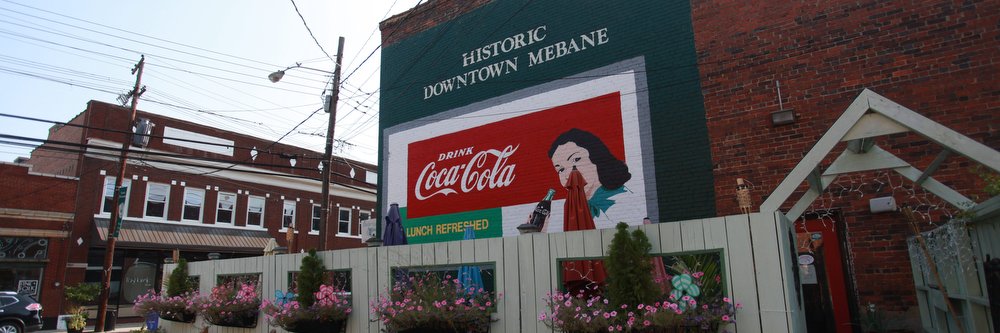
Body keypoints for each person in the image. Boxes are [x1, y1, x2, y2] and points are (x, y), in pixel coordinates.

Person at [547, 128, 633, 228]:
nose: (567, 175)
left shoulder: (617, 200)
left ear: (596, 156)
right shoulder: (575, 207)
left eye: (576, 159)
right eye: (561, 170)